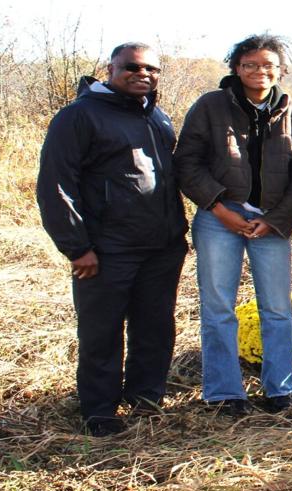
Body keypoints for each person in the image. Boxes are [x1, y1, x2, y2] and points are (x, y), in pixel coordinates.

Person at [36, 43, 188, 436]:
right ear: (110, 68)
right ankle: (100, 411)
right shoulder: (78, 116)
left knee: (155, 326)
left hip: (162, 247)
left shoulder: (157, 117)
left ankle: (146, 397)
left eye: (152, 69)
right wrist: (77, 246)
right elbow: (56, 184)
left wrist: (179, 235)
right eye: (132, 67)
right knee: (101, 332)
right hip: (106, 250)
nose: (143, 74)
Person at [175, 33, 292, 417]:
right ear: (236, 68)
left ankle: (280, 388)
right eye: (250, 64)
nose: (260, 71)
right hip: (219, 216)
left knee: (277, 307)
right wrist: (220, 209)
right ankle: (224, 392)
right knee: (219, 307)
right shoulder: (210, 107)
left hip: (272, 222)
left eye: (269, 65)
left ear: (281, 70)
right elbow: (187, 163)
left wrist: (276, 222)